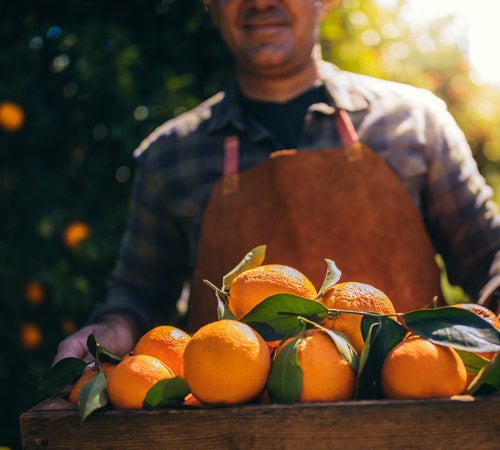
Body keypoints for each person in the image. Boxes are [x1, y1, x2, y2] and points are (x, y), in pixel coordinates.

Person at [53, 0, 500, 364]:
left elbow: (487, 255)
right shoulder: (171, 156)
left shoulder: (413, 123)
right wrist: (106, 333)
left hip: (418, 426)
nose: (261, 3)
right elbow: (140, 293)